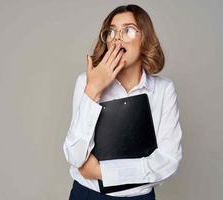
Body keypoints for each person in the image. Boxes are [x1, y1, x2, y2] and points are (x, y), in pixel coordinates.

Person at [63, 4, 182, 200]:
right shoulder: (85, 82)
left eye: (128, 30)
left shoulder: (163, 90)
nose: (117, 37)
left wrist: (103, 171)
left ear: (145, 38)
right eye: (111, 32)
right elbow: (76, 157)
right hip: (88, 195)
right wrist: (93, 89)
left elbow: (168, 162)